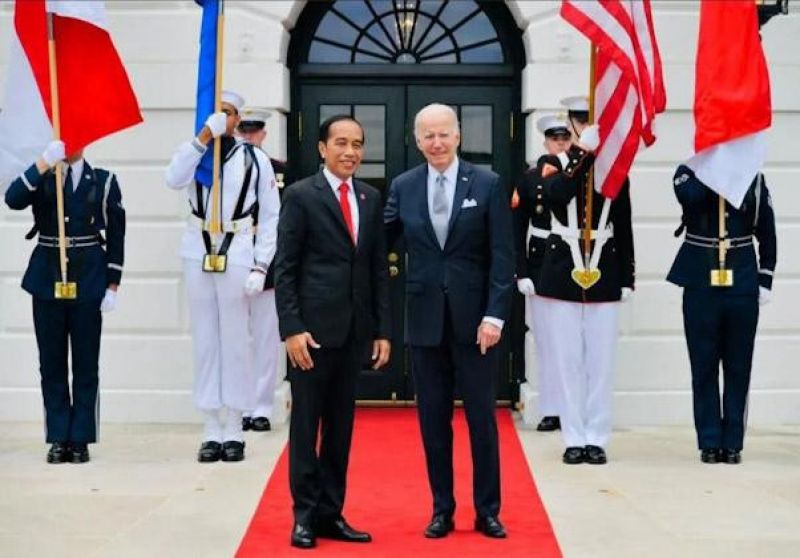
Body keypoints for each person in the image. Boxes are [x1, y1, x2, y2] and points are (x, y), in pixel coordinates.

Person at [384, 103, 514, 539]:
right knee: (433, 422)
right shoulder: (403, 186)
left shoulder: (488, 183)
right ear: (416, 140)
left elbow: (502, 255)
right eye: (428, 136)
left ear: (458, 135)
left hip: (476, 324)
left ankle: (488, 510)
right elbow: (379, 243)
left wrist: (495, 314)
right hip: (424, 323)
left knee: (481, 420)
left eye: (444, 134)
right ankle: (442, 509)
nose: (436, 143)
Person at [275, 115, 390, 549]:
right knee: (307, 427)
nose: (350, 152)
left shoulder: (370, 197)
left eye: (357, 144)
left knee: (340, 430)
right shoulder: (302, 196)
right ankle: (303, 516)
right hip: (312, 334)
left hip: (355, 333)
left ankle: (330, 513)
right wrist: (292, 328)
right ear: (322, 148)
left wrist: (381, 330)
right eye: (341, 143)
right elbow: (285, 268)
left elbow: (377, 267)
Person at [165, 90, 280, 463]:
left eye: (228, 113)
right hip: (198, 248)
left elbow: (271, 216)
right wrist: (201, 138)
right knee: (205, 339)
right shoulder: (194, 153)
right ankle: (210, 426)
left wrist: (262, 265)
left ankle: (234, 424)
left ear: (237, 119)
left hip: (238, 248)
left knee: (235, 339)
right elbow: (173, 178)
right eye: (216, 112)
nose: (223, 119)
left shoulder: (254, 159)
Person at [5, 140, 125, 464]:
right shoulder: (42, 176)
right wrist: (43, 162)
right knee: (52, 362)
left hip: (88, 277)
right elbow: (12, 199)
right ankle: (58, 436)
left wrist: (113, 283)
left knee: (86, 363)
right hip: (47, 277)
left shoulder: (103, 180)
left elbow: (116, 233)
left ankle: (81, 437)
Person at [536, 96, 635, 465]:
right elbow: (556, 195)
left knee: (601, 361)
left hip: (604, 270)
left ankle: (597, 436)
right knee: (567, 361)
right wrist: (582, 151)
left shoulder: (615, 169)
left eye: (588, 119)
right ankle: (573, 436)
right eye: (579, 118)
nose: (583, 124)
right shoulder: (553, 163)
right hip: (563, 270)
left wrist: (628, 274)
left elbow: (622, 225)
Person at [667, 165, 776, 464]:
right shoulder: (689, 172)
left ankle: (733, 442)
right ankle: (709, 440)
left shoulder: (753, 179)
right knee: (703, 365)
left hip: (741, 279)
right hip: (700, 280)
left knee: (738, 365)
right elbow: (690, 197)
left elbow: (767, 231)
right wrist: (715, 169)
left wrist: (765, 278)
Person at [514, 114, 572, 432]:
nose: (560, 143)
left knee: (574, 344)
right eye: (554, 139)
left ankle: (574, 406)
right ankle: (552, 407)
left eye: (565, 139)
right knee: (547, 343)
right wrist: (520, 271)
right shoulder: (530, 178)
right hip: (540, 268)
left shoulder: (582, 175)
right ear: (546, 142)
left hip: (575, 266)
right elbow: (516, 227)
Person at [236, 107, 282, 433]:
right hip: (234, 259)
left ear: (263, 134)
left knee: (266, 339)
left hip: (270, 265)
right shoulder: (226, 169)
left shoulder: (279, 171)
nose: (250, 137)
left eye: (255, 131)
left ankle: (262, 406)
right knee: (238, 338)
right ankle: (240, 403)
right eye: (244, 131)